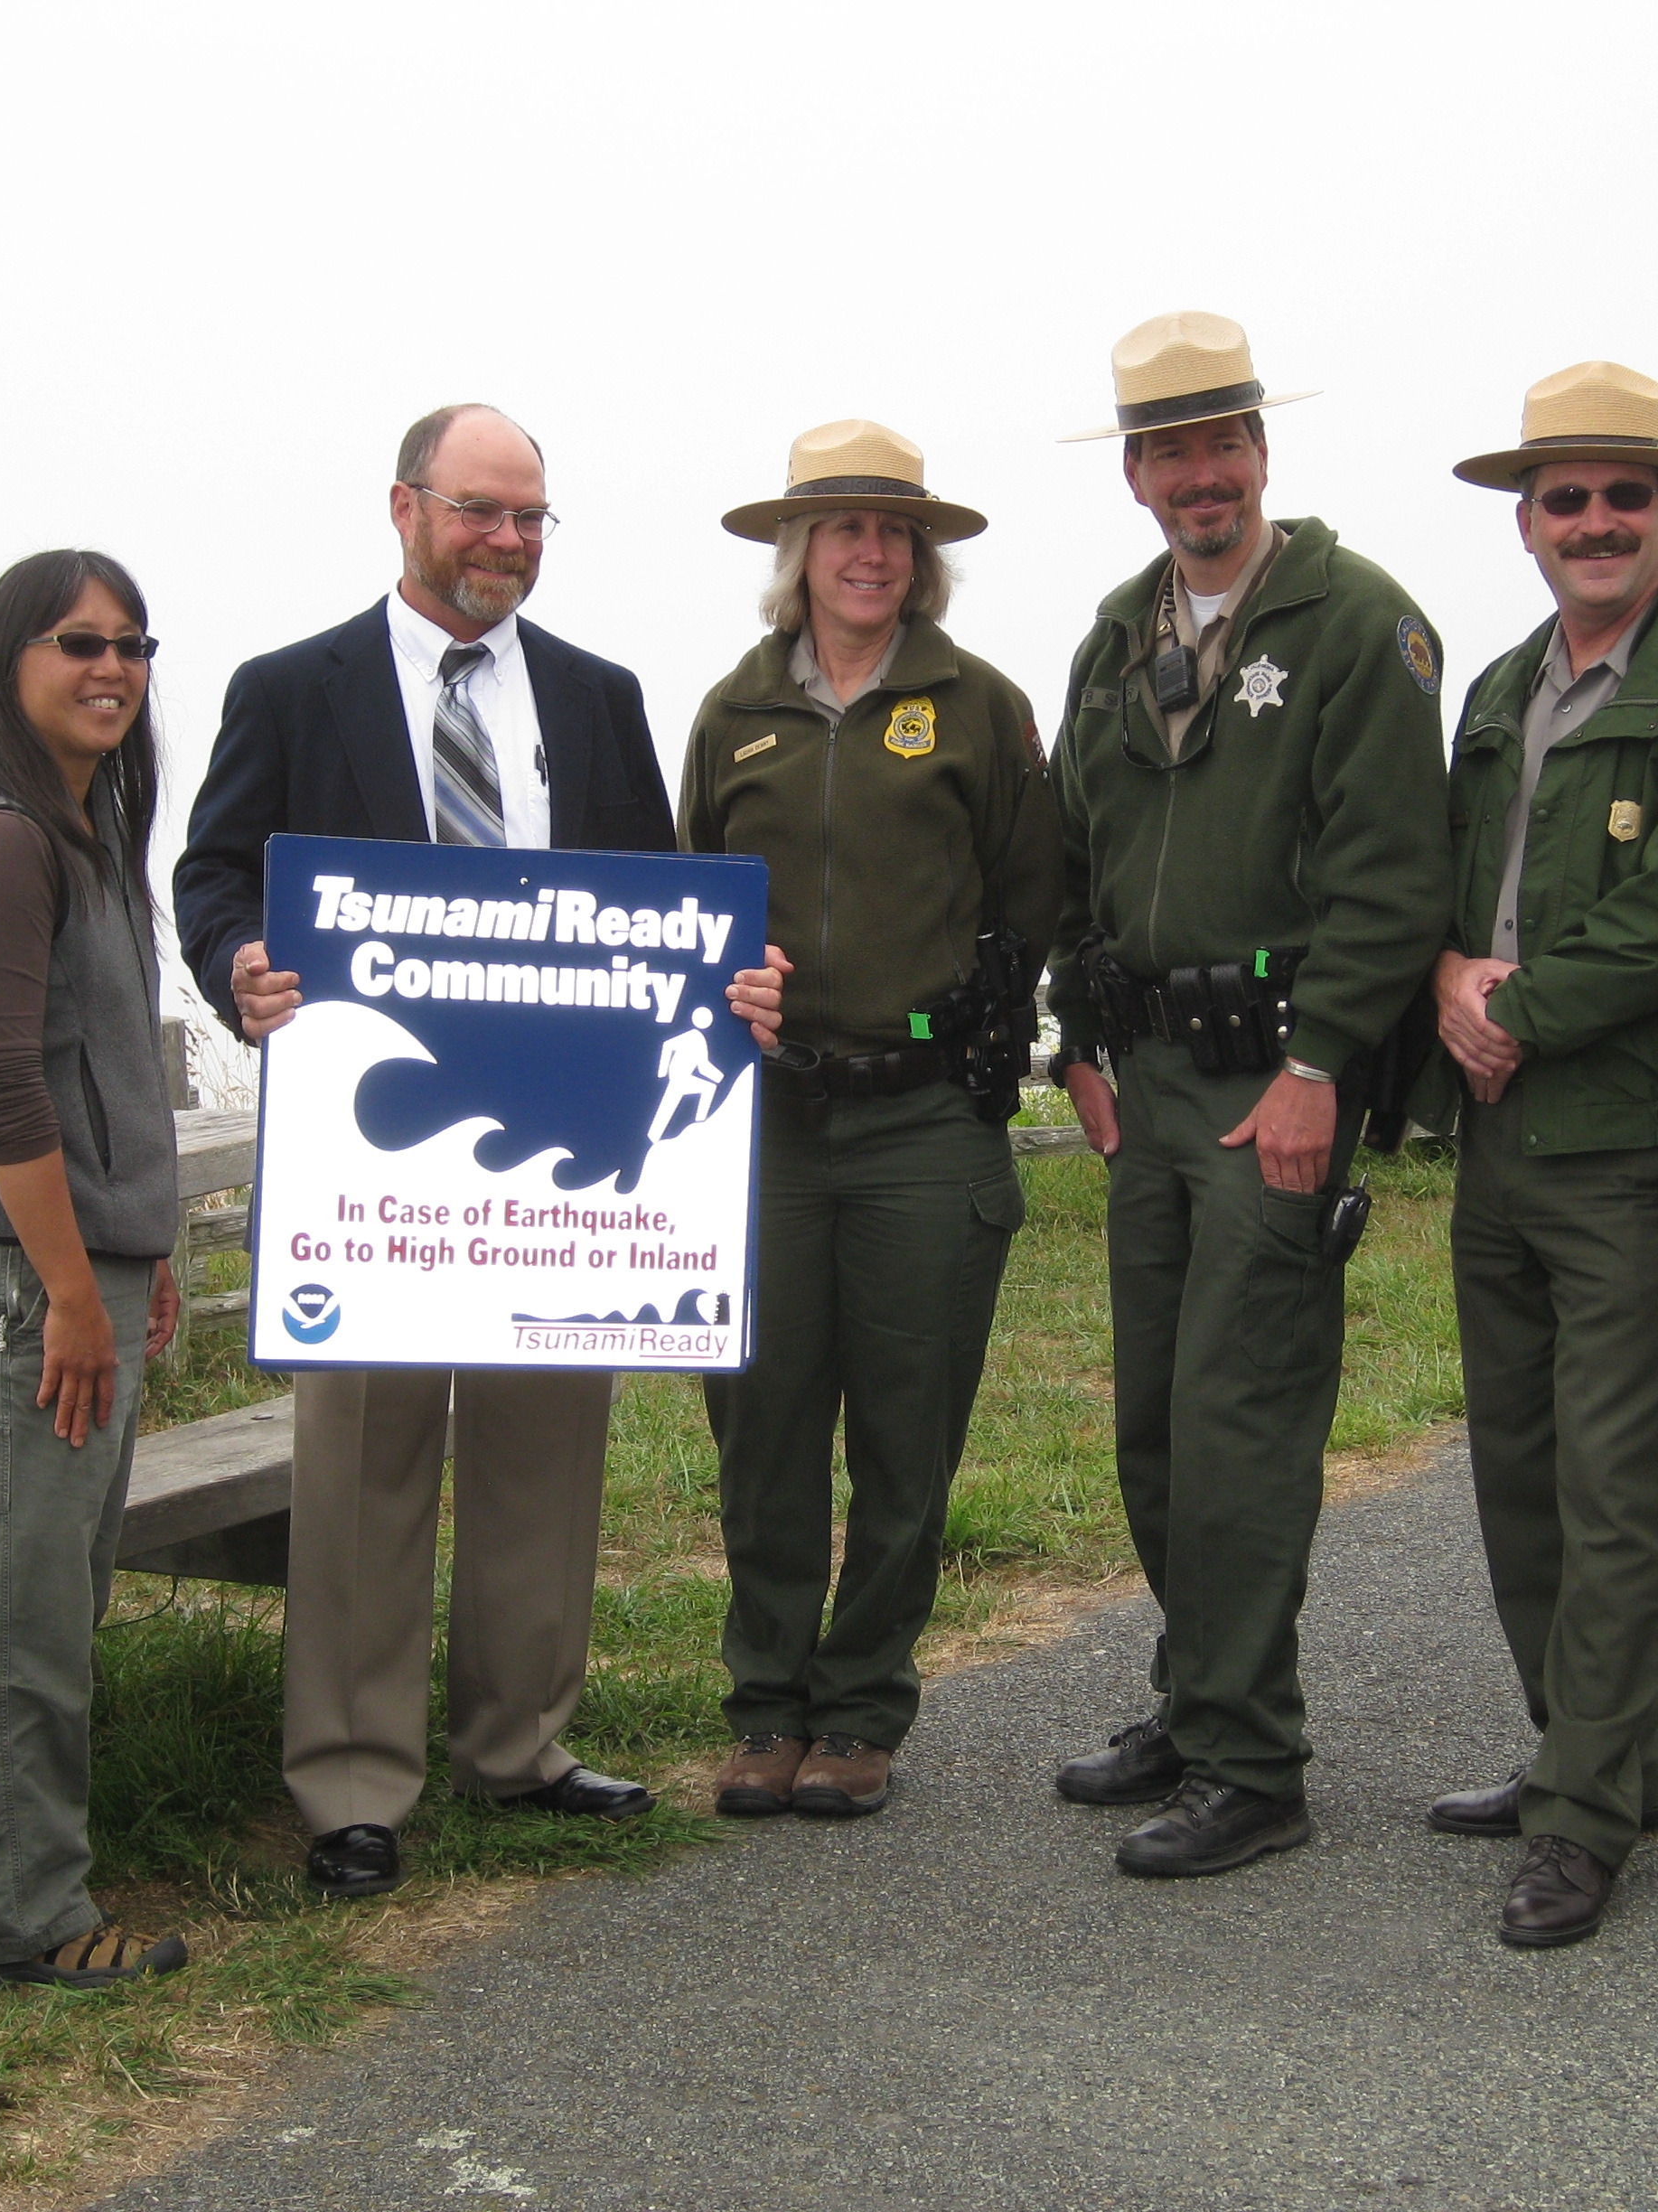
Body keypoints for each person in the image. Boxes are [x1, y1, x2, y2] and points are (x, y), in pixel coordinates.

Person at [172, 404, 678, 1901]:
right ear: (404, 507)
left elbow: (657, 902)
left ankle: (520, 1744)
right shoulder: (291, 688)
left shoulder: (597, 699)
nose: (506, 544)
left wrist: (726, 987)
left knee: (543, 1453)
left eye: (530, 519)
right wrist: (239, 966)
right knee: (365, 1462)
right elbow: (212, 871)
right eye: (479, 513)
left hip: (549, 1158)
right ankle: (350, 1783)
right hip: (371, 1154)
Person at [1046, 312, 1451, 1877]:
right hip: (1147, 1079)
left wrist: (1319, 1070)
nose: (1202, 475)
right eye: (1172, 450)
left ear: (1262, 453)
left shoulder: (1355, 625)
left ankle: (1253, 1762)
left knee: (1241, 1422)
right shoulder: (1111, 634)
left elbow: (1392, 876)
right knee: (1153, 1420)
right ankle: (1192, 1688)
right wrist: (1077, 1032)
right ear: (1139, 472)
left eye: (1227, 443)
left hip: (1274, 1082)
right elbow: (1083, 852)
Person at [1421, 362, 1658, 1948]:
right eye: (1565, 498)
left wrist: (1525, 1008)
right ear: (1526, 523)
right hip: (1499, 1141)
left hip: (1626, 1146)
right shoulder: (1503, 687)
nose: (1595, 521)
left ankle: (1585, 1824)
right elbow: (1456, 880)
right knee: (1518, 1472)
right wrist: (1447, 979)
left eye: (1624, 496)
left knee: (1620, 1486)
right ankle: (1588, 1757)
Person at [688, 420, 1061, 1820]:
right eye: (844, 529)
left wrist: (973, 1023)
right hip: (769, 1131)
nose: (871, 553)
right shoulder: (733, 716)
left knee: (908, 1435)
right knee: (764, 1430)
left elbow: (1032, 898)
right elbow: (688, 915)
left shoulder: (979, 707)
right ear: (799, 553)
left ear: (923, 558)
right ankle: (764, 1706)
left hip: (922, 1128)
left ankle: (859, 1713)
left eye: (896, 532)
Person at [0, 549, 187, 1987]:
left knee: (26, 1587)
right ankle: (33, 1921)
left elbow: (104, 1072)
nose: (112, 669)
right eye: (78, 642)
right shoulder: (5, 838)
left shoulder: (82, 831)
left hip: (78, 1266)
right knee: (26, 1612)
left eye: (134, 647)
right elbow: (3, 1087)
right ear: (9, 658)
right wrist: (75, 1289)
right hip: (25, 1281)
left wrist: (142, 1247)